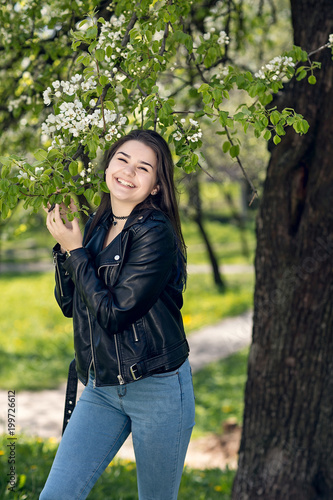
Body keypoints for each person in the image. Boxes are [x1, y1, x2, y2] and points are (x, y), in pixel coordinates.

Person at [40, 129, 195, 500]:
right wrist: (66, 248)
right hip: (102, 387)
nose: (129, 171)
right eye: (123, 159)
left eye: (144, 168)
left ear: (156, 186)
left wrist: (76, 251)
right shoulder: (98, 224)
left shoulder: (156, 234)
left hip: (156, 391)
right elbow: (69, 305)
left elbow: (114, 315)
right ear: (108, 165)